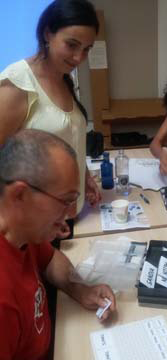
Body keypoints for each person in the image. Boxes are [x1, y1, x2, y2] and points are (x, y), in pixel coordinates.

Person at [0, 129, 116, 360]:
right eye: (66, 200)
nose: (71, 213)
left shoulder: (22, 232)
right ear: (20, 195)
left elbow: (51, 259)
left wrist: (79, 289)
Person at [0, 0, 102, 238]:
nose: (79, 57)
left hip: (65, 219)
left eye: (87, 49)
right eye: (71, 45)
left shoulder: (63, 78)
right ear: (48, 33)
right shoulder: (17, 85)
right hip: (34, 229)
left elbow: (67, 139)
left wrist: (84, 175)